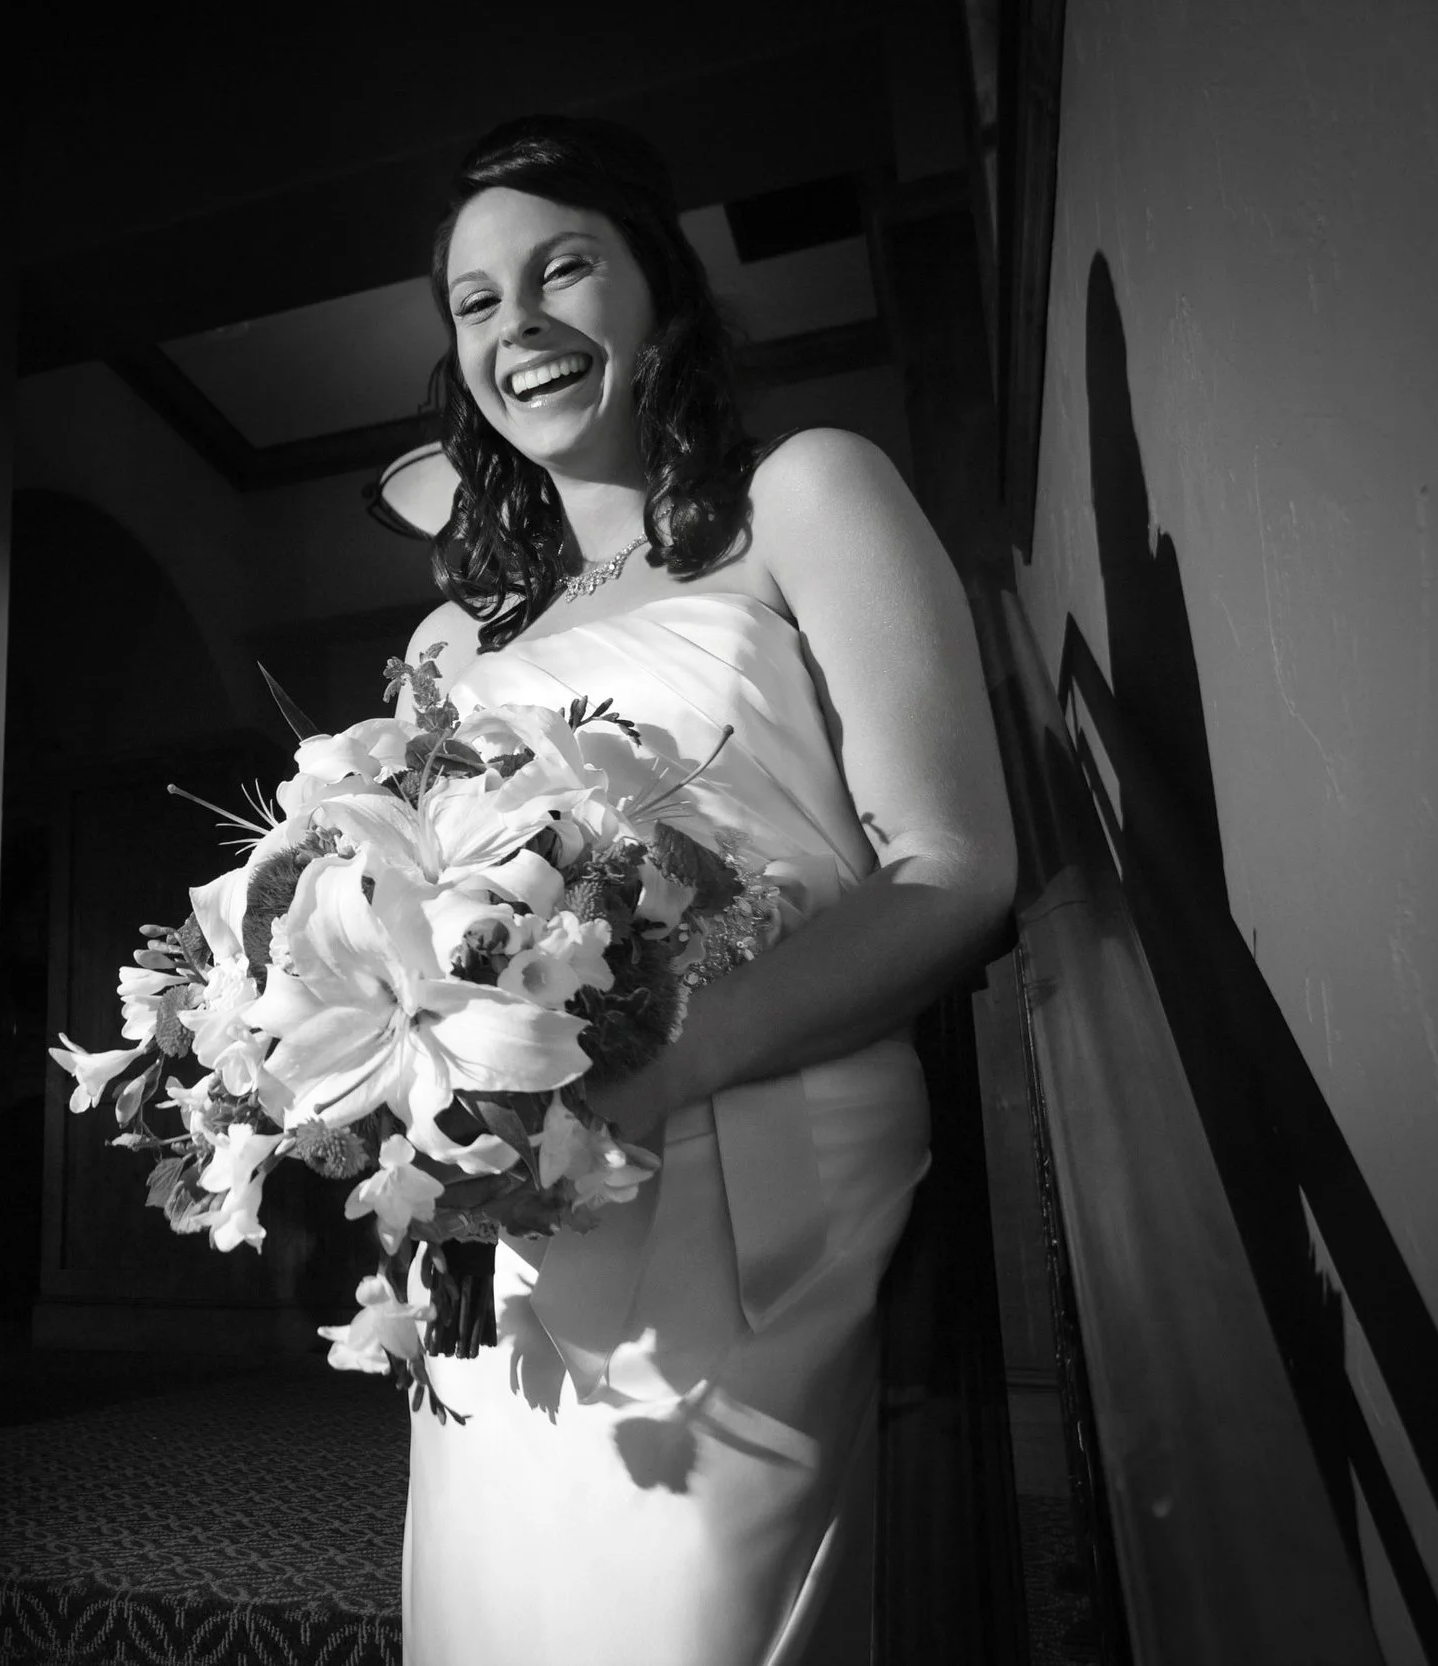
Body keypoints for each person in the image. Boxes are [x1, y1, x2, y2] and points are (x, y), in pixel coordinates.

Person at [391, 116, 1016, 1665]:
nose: (517, 324)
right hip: (517, 1220)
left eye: (563, 270)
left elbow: (955, 868)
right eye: (476, 302)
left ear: (659, 295)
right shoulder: (446, 648)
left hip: (762, 1159)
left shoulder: (805, 494)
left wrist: (662, 1069)